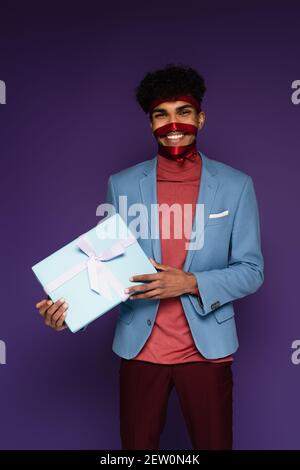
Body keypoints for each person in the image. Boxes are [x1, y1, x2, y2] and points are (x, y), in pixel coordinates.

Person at [36, 64, 264, 450]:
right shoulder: (122, 184)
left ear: (201, 117)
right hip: (140, 348)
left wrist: (190, 283)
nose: (173, 122)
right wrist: (68, 311)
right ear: (150, 123)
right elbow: (106, 263)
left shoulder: (236, 185)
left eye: (184, 111)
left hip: (206, 351)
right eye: (161, 113)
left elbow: (251, 271)